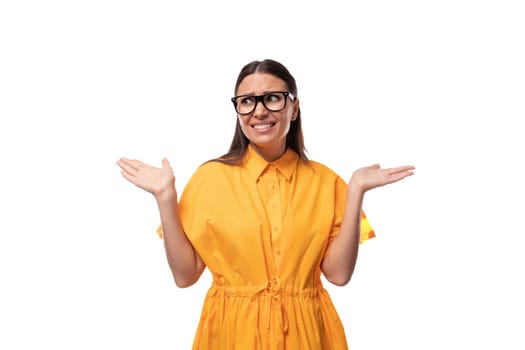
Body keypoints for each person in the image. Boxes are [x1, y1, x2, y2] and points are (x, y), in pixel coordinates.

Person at [116, 58, 415, 349]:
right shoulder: (210, 179)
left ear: (294, 108)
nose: (259, 111)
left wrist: (356, 191)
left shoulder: (327, 182)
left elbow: (338, 275)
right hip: (231, 334)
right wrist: (165, 197)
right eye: (247, 101)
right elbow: (185, 276)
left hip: (306, 334)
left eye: (272, 98)